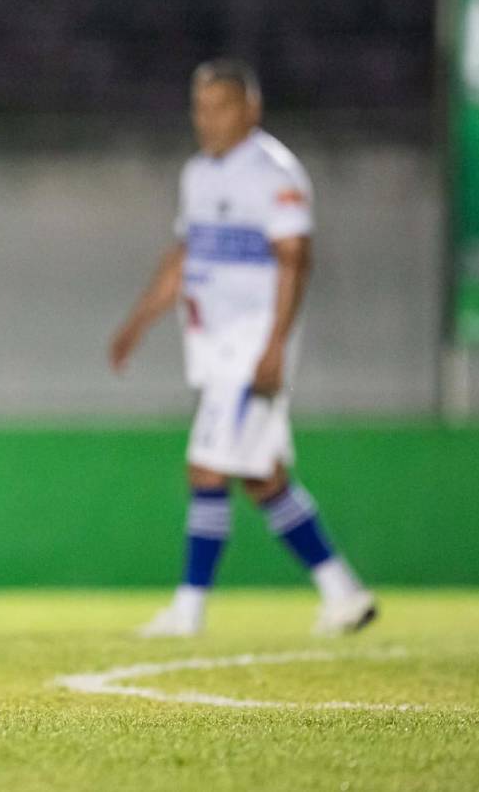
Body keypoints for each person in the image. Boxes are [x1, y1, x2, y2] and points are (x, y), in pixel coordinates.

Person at [110, 59, 374, 637]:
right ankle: (343, 592)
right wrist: (139, 322)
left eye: (220, 106)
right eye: (200, 108)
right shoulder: (199, 174)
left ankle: (189, 608)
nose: (207, 119)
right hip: (214, 346)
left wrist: (276, 346)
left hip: (251, 345)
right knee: (262, 476)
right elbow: (186, 256)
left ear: (250, 109)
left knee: (206, 467)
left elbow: (295, 258)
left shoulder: (273, 172)